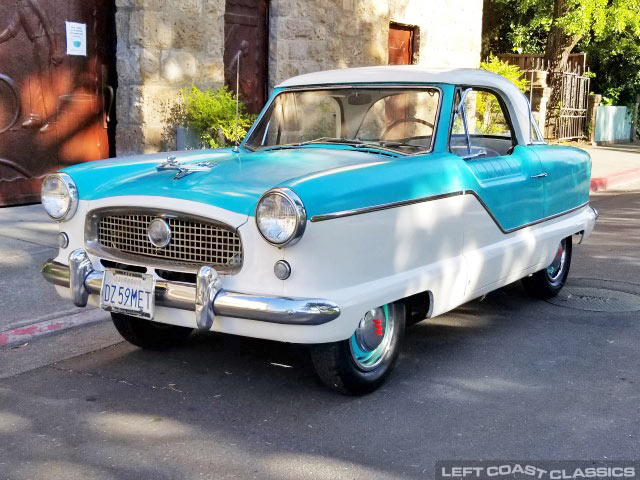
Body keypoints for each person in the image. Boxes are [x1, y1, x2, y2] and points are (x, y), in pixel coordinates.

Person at [0, 0, 63, 133]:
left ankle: (51, 121)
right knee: (36, 81)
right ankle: (37, 117)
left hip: (43, 43)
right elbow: (12, 30)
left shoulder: (32, 1)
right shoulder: (20, 5)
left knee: (45, 81)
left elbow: (46, 21)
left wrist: (55, 48)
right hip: (36, 45)